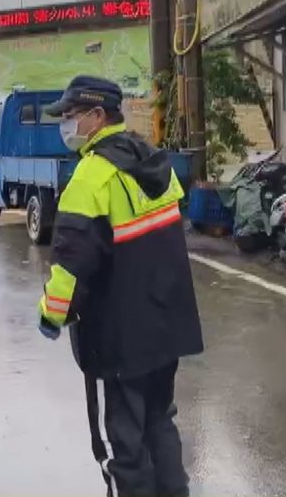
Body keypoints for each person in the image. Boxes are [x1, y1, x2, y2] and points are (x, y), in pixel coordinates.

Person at [37, 76, 204, 497]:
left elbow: (71, 262)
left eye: (72, 116)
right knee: (159, 420)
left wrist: (52, 313)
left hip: (124, 332)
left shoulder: (91, 176)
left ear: (96, 116)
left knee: (127, 438)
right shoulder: (154, 160)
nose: (67, 125)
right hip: (167, 323)